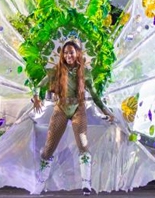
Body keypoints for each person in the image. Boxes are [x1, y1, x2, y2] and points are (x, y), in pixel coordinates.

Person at [31, 39, 114, 195]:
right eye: (66, 52)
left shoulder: (85, 72)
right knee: (48, 148)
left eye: (71, 52)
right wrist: (36, 97)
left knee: (83, 143)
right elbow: (39, 86)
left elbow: (95, 96)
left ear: (77, 54)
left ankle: (86, 184)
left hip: (78, 108)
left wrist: (106, 111)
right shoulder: (56, 70)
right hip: (61, 108)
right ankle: (41, 181)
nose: (68, 55)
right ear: (63, 54)